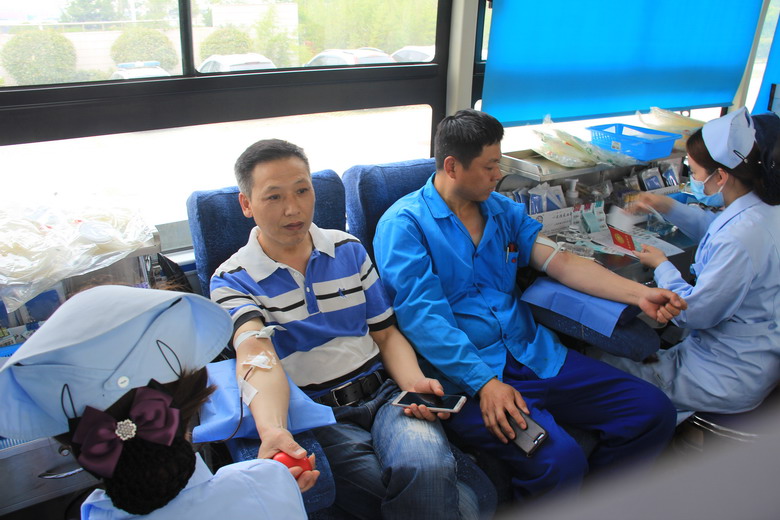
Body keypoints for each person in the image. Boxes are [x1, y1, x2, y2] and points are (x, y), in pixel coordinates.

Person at [372, 109, 686, 502]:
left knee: (652, 412)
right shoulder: (405, 226)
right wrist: (485, 384)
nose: (497, 175)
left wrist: (639, 293)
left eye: (499, 164)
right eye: (489, 167)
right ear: (452, 166)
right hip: (466, 375)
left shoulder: (503, 211)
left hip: (534, 354)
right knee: (560, 460)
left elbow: (562, 263)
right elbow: (424, 318)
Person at [209, 138, 494, 519]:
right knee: (464, 505)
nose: (293, 208)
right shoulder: (232, 279)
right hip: (318, 414)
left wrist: (414, 383)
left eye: (302, 190)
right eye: (273, 197)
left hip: (387, 397)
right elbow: (256, 354)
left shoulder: (348, 249)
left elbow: (385, 333)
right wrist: (273, 429)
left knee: (424, 467)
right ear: (246, 204)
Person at [0, 285, 310, 519]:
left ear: (73, 440)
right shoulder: (270, 483)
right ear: (194, 393)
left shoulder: (94, 513)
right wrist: (273, 486)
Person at [599, 107, 780, 423]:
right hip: (754, 356)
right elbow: (717, 228)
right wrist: (665, 204)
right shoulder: (763, 208)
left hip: (723, 375)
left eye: (693, 173)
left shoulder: (740, 238)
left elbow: (693, 312)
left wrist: (662, 265)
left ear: (720, 176)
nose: (692, 180)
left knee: (601, 367)